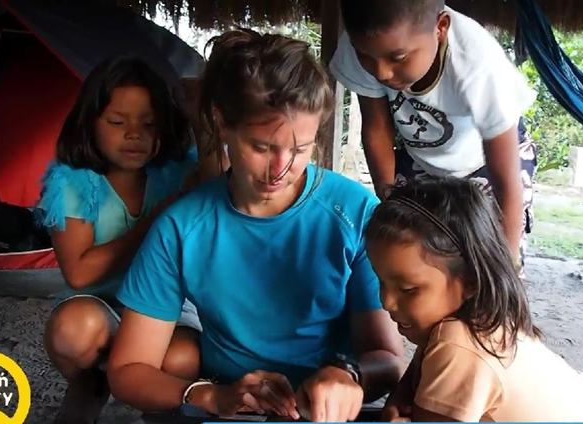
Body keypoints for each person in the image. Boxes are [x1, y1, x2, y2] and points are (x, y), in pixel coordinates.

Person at [105, 29, 406, 422]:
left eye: (300, 149)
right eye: (262, 147)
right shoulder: (183, 227)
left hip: (331, 413)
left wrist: (348, 374)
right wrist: (212, 396)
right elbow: (128, 371)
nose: (280, 169)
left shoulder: (353, 211)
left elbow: (387, 360)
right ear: (222, 122)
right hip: (232, 410)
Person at [364, 178, 583, 422]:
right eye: (381, 281)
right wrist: (403, 394)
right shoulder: (482, 320)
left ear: (470, 281)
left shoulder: (460, 343)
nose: (386, 302)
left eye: (409, 289)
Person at [33, 56, 203, 423]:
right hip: (100, 305)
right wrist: (159, 219)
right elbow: (79, 273)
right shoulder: (73, 182)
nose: (134, 134)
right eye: (117, 122)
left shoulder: (179, 173)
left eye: (149, 123)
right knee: (72, 330)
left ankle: (151, 399)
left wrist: (197, 117)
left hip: (169, 307)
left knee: (182, 358)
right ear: (90, 123)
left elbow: (220, 173)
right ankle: (93, 382)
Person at [329, 0, 537, 275]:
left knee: (489, 267)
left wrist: (507, 267)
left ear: (440, 28)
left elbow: (506, 182)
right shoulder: (364, 44)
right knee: (410, 258)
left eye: (398, 57)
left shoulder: (478, 64)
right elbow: (377, 127)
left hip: (487, 162)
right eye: (366, 57)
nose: (381, 73)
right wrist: (389, 207)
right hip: (419, 156)